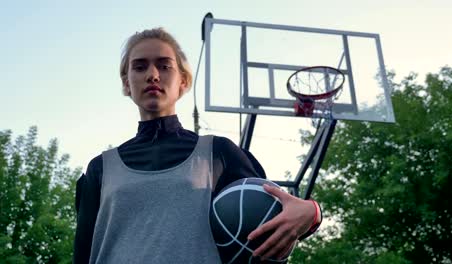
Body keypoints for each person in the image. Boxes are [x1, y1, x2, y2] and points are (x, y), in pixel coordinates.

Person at [73, 27, 322, 264]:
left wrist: (311, 213)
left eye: (164, 66)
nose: (153, 75)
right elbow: (82, 254)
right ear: (127, 83)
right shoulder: (101, 168)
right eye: (139, 67)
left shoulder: (219, 153)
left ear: (183, 81)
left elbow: (269, 221)